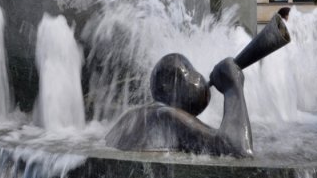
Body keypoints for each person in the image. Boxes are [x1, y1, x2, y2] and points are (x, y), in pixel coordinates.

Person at [105, 53, 252, 157]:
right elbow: (237, 148)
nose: (199, 78)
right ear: (168, 85)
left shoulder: (132, 116)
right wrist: (233, 87)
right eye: (189, 72)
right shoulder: (165, 114)